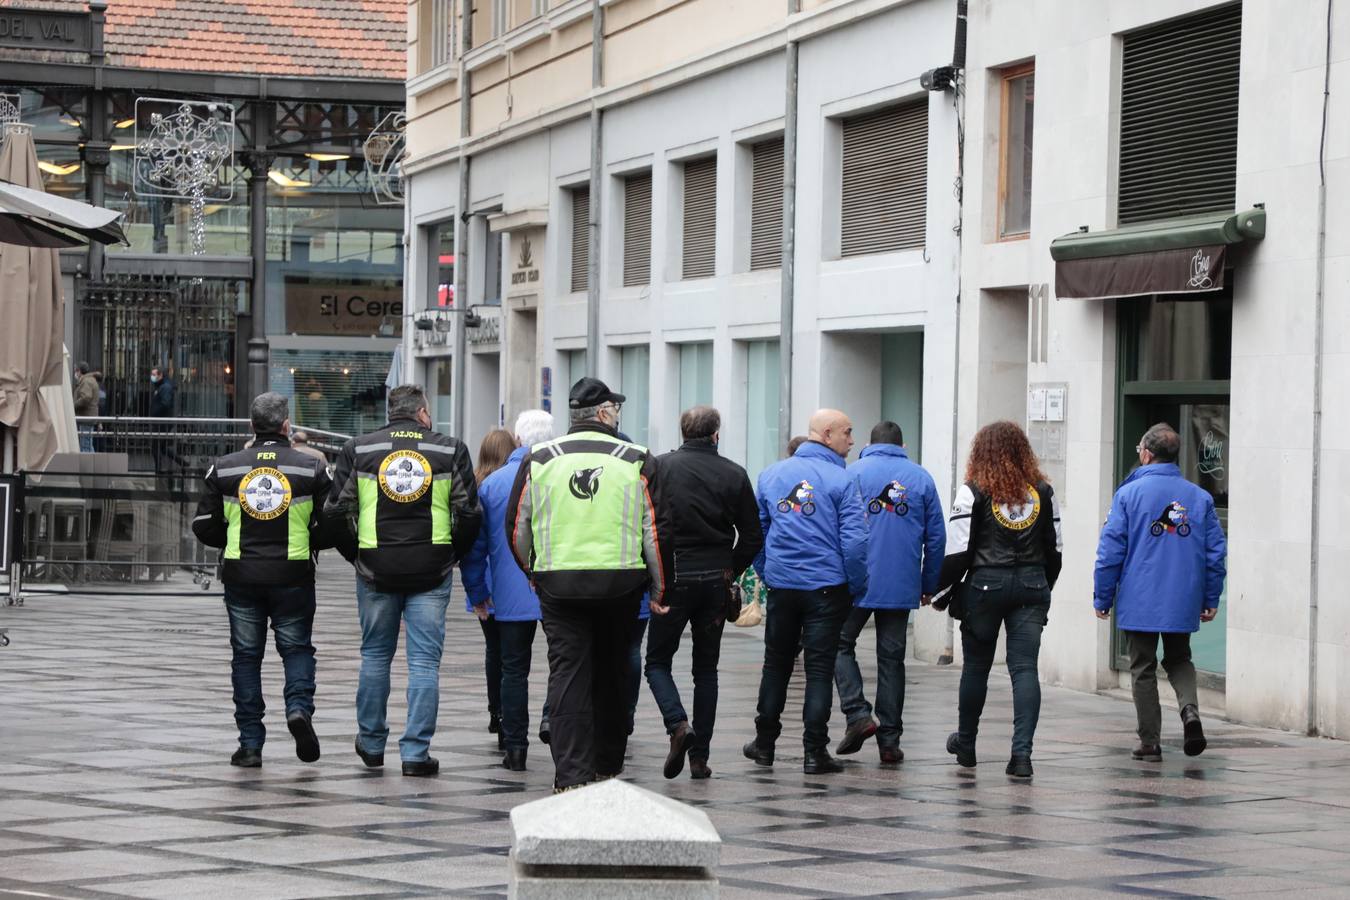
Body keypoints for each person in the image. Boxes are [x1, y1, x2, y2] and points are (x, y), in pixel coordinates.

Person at [508, 377, 669, 792]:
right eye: (615, 408)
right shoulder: (636, 458)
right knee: (614, 671)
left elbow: (517, 526)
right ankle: (607, 764)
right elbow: (655, 532)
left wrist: (532, 572)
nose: (617, 415)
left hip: (559, 585)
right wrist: (660, 589)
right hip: (620, 584)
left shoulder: (540, 457)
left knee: (568, 673)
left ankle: (571, 775)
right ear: (603, 414)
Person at [326, 384, 482, 777]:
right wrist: (453, 555)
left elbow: (333, 512)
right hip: (432, 570)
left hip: (375, 568)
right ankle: (415, 753)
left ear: (390, 412)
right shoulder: (449, 450)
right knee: (425, 663)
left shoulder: (360, 450)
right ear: (423, 412)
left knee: (375, 656)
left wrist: (356, 554)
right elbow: (469, 513)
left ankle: (373, 743)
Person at [191, 392, 333, 767]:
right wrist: (310, 542)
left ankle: (251, 744)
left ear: (253, 427)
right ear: (287, 426)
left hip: (242, 574)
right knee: (297, 649)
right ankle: (299, 709)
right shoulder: (311, 469)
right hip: (294, 573)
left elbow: (202, 525)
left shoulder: (224, 468)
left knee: (246, 658)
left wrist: (232, 540)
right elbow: (333, 524)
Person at [744, 409, 868, 775]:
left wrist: (769, 572)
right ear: (827, 434)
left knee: (776, 665)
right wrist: (855, 586)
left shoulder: (771, 475)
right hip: (827, 588)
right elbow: (856, 542)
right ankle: (815, 752)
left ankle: (764, 744)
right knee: (818, 670)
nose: (852, 440)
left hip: (783, 587)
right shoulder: (841, 480)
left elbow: (756, 534)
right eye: (847, 432)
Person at [936, 421, 1062, 779]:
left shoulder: (973, 490)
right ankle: (1021, 755)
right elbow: (1056, 551)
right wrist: (1042, 587)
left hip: (984, 587)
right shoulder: (1043, 491)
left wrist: (941, 593)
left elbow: (959, 551)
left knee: (976, 668)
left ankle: (967, 745)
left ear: (981, 452)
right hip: (1031, 586)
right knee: (1024, 670)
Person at [1093, 423, 1226, 761]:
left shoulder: (1127, 495)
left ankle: (1150, 742)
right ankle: (1190, 712)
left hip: (1140, 597)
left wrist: (1102, 596)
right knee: (1180, 658)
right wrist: (1210, 598)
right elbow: (1215, 554)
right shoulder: (1200, 497)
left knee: (1143, 666)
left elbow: (1111, 551)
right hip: (1183, 596)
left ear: (1147, 454)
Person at [645, 406, 763, 780]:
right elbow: (752, 536)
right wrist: (732, 569)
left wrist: (652, 576)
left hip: (672, 578)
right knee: (706, 669)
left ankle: (678, 724)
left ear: (683, 432)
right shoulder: (734, 473)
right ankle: (700, 758)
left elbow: (645, 525)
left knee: (657, 662)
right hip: (715, 580)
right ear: (716, 434)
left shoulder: (659, 468)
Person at [834, 421, 945, 764]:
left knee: (839, 643)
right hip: (901, 583)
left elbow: (837, 528)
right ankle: (889, 741)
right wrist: (928, 585)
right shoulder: (921, 478)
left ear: (869, 443)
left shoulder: (851, 473)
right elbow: (937, 538)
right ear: (903, 445)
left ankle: (857, 713)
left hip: (855, 581)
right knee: (892, 660)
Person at [466, 426, 525, 750]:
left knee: (495, 651)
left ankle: (496, 710)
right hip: (513, 579)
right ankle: (509, 718)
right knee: (514, 659)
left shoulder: (477, 484)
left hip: (486, 581)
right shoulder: (511, 484)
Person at [149, 365, 179, 472]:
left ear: (160, 375)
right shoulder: (162, 386)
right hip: (161, 421)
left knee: (155, 448)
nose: (152, 377)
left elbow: (165, 404)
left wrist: (155, 413)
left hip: (162, 422)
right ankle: (183, 463)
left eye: (154, 375)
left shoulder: (165, 387)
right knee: (161, 447)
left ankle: (158, 470)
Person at [73, 361, 99, 452]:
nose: (75, 373)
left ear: (79, 371)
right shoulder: (90, 380)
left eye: (76, 371)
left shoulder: (86, 381)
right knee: (88, 444)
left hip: (86, 417)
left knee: (85, 446)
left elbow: (86, 397)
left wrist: (74, 405)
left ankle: (87, 466)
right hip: (88, 417)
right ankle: (93, 465)